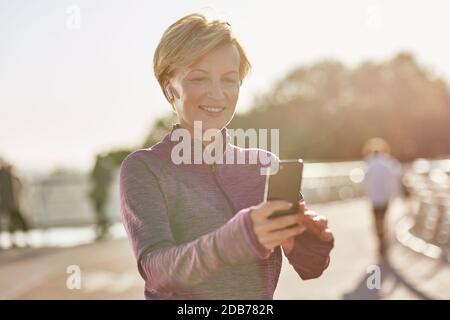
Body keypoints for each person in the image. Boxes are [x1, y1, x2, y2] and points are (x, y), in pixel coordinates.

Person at [120, 13, 334, 300]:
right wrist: (240, 236)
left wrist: (307, 242)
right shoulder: (144, 169)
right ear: (170, 88)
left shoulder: (263, 165)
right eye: (199, 78)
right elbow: (158, 271)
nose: (217, 93)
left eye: (229, 80)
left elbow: (312, 267)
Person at [362, 137, 402, 259]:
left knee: (377, 221)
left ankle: (380, 241)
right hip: (385, 198)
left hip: (374, 198)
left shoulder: (369, 164)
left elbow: (364, 182)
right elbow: (394, 181)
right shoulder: (388, 163)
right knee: (384, 219)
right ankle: (384, 241)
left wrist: (367, 195)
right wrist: (396, 195)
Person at [0, 160, 29, 247]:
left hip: (12, 204)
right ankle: (15, 241)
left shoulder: (12, 177)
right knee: (15, 222)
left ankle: (18, 241)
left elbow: (21, 188)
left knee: (17, 222)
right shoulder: (5, 176)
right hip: (7, 204)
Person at [89, 154, 114, 240]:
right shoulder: (105, 168)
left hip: (98, 194)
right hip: (102, 193)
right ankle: (104, 227)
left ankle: (103, 227)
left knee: (100, 212)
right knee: (101, 212)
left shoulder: (97, 168)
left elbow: (92, 178)